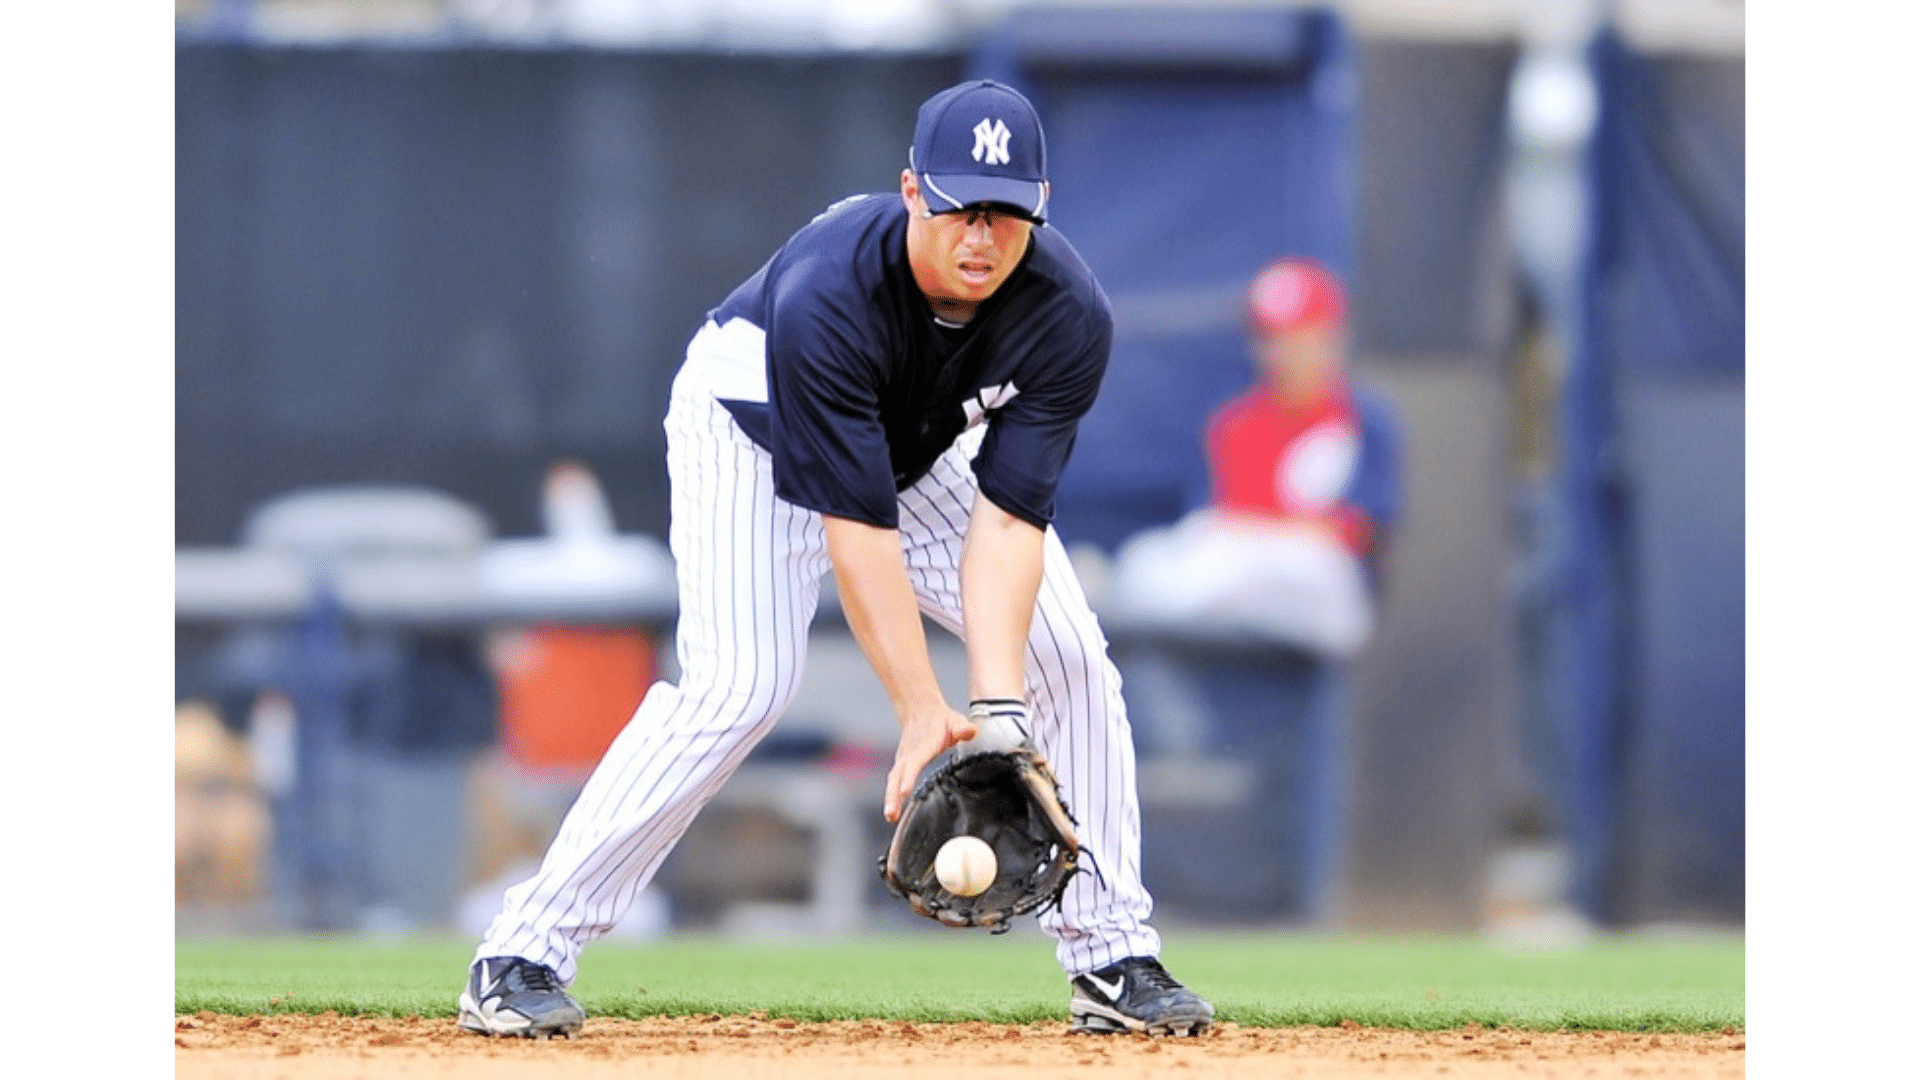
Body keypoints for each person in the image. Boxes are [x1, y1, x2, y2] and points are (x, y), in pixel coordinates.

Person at [458, 80, 1214, 1039]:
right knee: (742, 686)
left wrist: (999, 714)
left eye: (1008, 213)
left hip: (921, 451)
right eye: (960, 208)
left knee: (1067, 657)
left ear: (1042, 208)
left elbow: (1010, 522)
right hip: (752, 431)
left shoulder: (1067, 315)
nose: (982, 237)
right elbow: (858, 537)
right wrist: (916, 710)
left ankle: (1110, 957)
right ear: (911, 194)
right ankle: (523, 949)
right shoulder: (830, 295)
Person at [1106, 256, 1400, 920]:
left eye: (1299, 332)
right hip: (1248, 594)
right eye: (1272, 334)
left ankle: (1131, 594)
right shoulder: (1236, 423)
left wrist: (1267, 535)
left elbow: (1362, 536)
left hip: (1331, 595)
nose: (1285, 348)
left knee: (1241, 554)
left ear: (1331, 334)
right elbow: (1213, 526)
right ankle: (1114, 603)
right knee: (1166, 557)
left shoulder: (1362, 419)